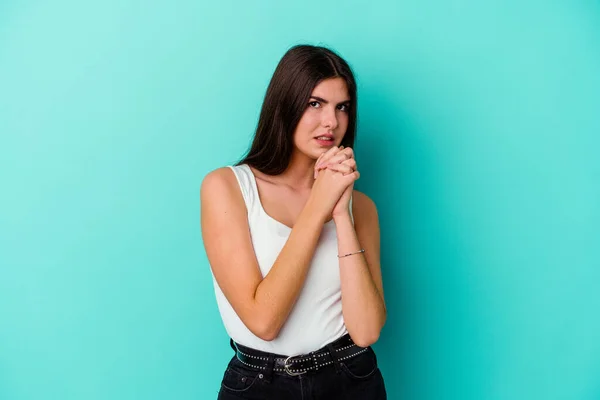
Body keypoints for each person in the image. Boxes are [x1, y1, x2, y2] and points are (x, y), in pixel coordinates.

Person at [200, 44, 387, 400]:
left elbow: (366, 331)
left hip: (350, 377)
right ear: (285, 105)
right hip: (260, 384)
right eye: (314, 103)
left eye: (342, 107)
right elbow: (263, 321)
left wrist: (341, 216)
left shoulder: (361, 207)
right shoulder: (228, 188)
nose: (331, 122)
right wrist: (318, 207)